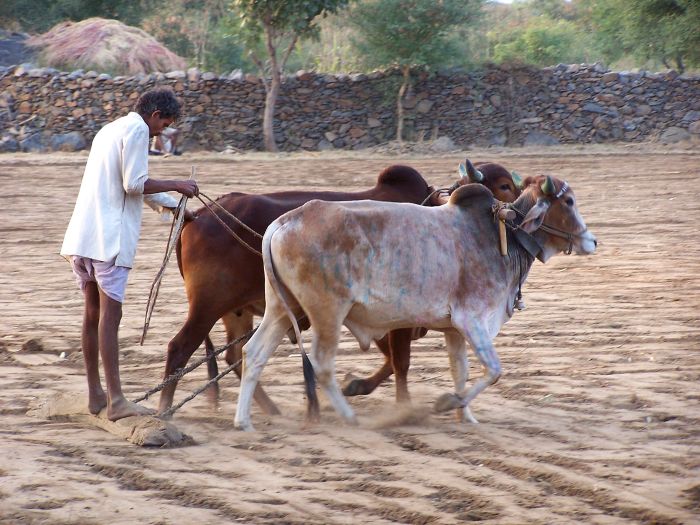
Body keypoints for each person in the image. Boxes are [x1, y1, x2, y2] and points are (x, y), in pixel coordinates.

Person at [60, 87, 199, 421]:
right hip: (110, 240)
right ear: (154, 115)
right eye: (163, 124)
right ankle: (117, 400)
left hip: (83, 237)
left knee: (92, 315)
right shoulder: (137, 129)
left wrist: (176, 209)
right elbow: (134, 183)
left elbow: (128, 186)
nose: (160, 132)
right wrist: (178, 184)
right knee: (111, 317)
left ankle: (96, 394)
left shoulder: (111, 129)